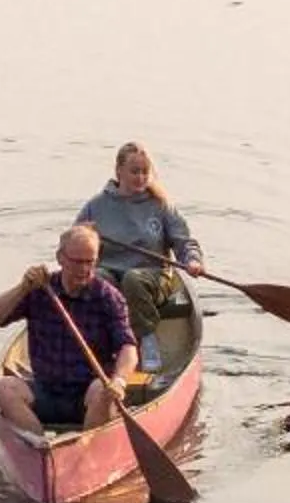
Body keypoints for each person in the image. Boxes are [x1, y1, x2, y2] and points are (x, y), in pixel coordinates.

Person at [0, 224, 138, 436]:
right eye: (77, 262)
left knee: (103, 391)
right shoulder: (40, 290)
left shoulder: (108, 297)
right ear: (60, 258)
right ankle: (39, 446)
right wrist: (22, 288)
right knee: (4, 388)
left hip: (88, 396)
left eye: (90, 262)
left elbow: (127, 347)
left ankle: (88, 448)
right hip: (46, 391)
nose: (84, 269)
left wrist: (119, 381)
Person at [75, 140, 203, 349]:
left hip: (152, 276)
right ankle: (101, 338)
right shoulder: (96, 206)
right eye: (135, 171)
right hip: (110, 273)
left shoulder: (160, 205)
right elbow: (72, 242)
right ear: (119, 171)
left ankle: (146, 338)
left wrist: (193, 260)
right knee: (96, 278)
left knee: (133, 280)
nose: (141, 177)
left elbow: (184, 241)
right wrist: (84, 235)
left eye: (145, 172)